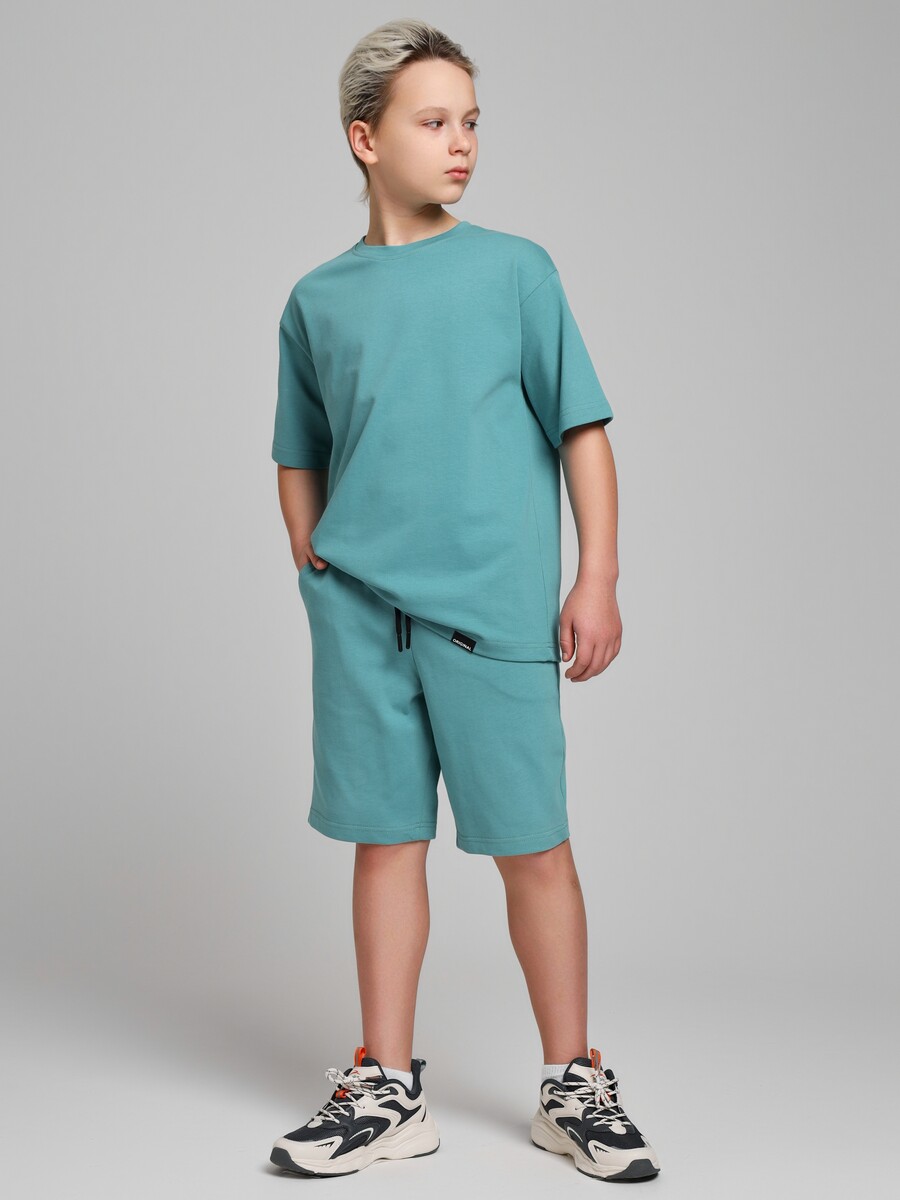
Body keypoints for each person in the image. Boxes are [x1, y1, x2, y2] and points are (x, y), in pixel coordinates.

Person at [268, 17, 661, 1183]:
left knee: (533, 847)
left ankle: (572, 1084)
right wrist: (311, 559)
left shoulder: (515, 272)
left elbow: (582, 431)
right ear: (365, 139)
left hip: (491, 619)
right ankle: (386, 1090)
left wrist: (597, 575)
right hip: (361, 618)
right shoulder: (317, 299)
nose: (462, 144)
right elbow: (299, 447)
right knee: (385, 843)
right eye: (434, 122)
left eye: (472, 123)